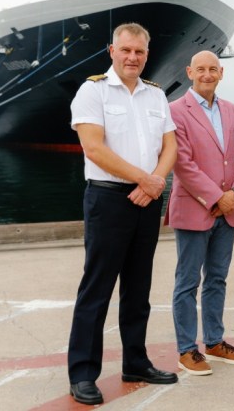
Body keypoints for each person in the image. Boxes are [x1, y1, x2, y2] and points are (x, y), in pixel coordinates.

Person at [67, 23, 178, 405]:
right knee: (97, 289)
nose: (133, 57)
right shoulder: (92, 90)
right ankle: (82, 373)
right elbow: (94, 149)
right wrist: (145, 180)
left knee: (138, 288)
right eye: (126, 50)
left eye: (140, 52)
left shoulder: (156, 95)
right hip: (108, 199)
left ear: (147, 55)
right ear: (111, 50)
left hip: (147, 200)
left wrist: (156, 182)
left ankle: (136, 360)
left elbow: (170, 146)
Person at [165, 50, 234, 376]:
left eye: (213, 69)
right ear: (190, 72)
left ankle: (214, 341)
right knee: (187, 282)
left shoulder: (230, 111)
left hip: (227, 210)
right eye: (201, 69)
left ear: (221, 73)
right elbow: (182, 163)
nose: (207, 74)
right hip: (194, 209)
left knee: (217, 279)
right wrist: (217, 197)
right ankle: (187, 349)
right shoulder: (175, 111)